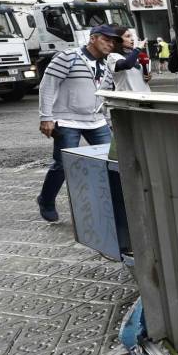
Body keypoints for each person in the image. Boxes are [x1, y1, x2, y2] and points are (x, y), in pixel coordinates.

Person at [36, 25, 118, 222]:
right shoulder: (68, 57)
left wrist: (108, 118)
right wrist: (46, 117)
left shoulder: (105, 64)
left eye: (113, 41)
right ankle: (46, 200)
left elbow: (103, 94)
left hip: (96, 120)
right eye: (106, 40)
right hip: (67, 119)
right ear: (93, 38)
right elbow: (47, 85)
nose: (110, 44)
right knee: (63, 164)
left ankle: (112, 205)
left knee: (112, 161)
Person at [107, 26, 151, 92]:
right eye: (128, 36)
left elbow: (143, 78)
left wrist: (147, 76)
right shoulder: (113, 56)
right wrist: (138, 48)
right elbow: (127, 64)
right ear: (117, 40)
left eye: (132, 36)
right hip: (128, 99)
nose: (132, 39)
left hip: (145, 96)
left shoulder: (136, 54)